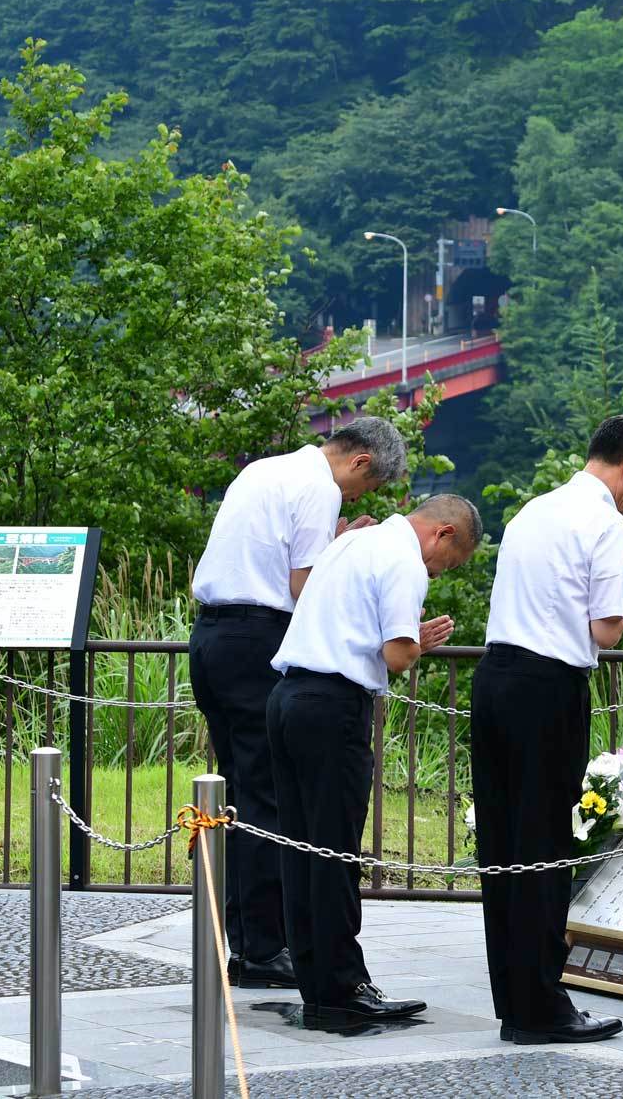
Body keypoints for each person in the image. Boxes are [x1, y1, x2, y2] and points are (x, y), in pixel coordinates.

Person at [187, 417, 406, 988]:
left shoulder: (266, 469)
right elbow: (304, 585)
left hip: (210, 639)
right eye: (366, 487)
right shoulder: (320, 487)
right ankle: (264, 948)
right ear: (359, 462)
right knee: (266, 801)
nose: (357, 499)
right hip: (259, 638)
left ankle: (243, 941)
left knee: (236, 791)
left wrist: (335, 544)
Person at [473, 414, 623, 1045]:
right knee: (545, 843)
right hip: (546, 688)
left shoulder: (534, 511)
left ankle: (514, 998)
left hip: (494, 677)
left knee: (501, 843)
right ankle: (543, 1005)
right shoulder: (608, 521)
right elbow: (605, 629)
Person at [265, 493, 482, 1021]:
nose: (438, 570)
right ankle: (345, 988)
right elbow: (396, 654)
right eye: (446, 563)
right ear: (443, 534)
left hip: (289, 697)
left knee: (298, 846)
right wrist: (418, 645)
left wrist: (406, 640)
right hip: (333, 707)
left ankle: (317, 986)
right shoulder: (405, 560)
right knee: (336, 848)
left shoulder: (353, 541)